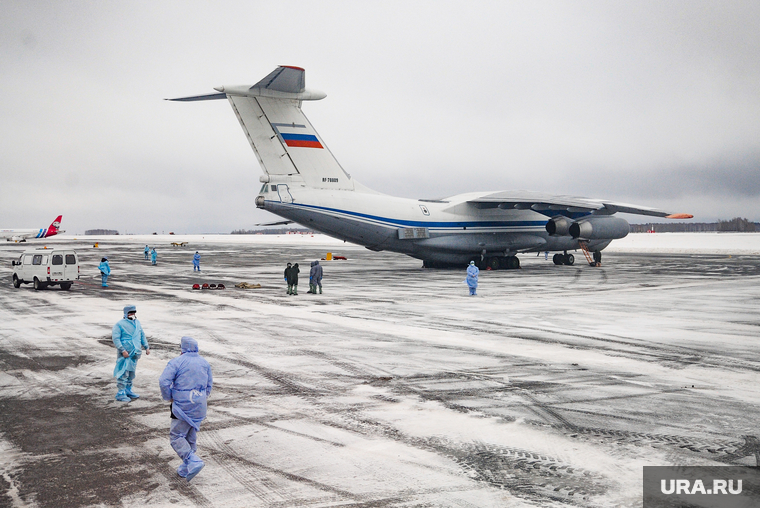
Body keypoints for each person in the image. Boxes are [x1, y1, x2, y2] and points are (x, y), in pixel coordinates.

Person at [159, 337, 213, 482]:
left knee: (176, 436)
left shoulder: (177, 362)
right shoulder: (204, 363)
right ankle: (186, 468)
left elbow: (164, 381)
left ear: (182, 348)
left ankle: (192, 460)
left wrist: (169, 396)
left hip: (182, 405)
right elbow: (209, 385)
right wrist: (200, 397)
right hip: (199, 404)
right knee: (190, 434)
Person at [112, 305, 150, 401]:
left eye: (133, 312)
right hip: (125, 353)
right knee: (123, 372)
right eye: (130, 313)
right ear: (126, 313)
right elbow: (116, 339)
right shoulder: (119, 324)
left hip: (135, 352)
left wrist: (146, 347)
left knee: (131, 372)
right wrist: (122, 350)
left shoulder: (137, 323)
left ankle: (128, 389)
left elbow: (142, 335)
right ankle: (121, 392)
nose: (132, 314)